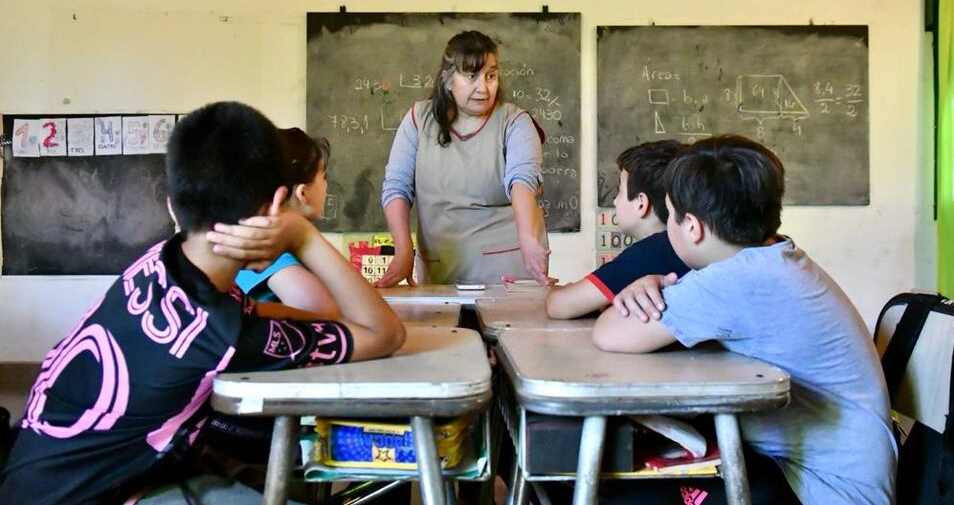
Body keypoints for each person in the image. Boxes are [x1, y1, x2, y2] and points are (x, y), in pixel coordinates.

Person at [0, 102, 405, 504]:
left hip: (30, 479)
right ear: (276, 206)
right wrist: (303, 236)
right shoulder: (223, 334)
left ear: (175, 202)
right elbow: (385, 333)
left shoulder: (160, 262)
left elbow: (275, 313)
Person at [592, 135, 896, 505]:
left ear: (692, 227)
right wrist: (647, 286)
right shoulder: (774, 257)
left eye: (670, 215)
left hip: (821, 491)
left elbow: (609, 333)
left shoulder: (737, 281)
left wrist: (638, 288)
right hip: (803, 470)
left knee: (612, 493)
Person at [377, 30, 550, 287]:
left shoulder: (514, 121)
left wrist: (528, 239)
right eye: (471, 76)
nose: (483, 87)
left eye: (491, 76)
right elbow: (396, 186)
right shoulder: (418, 119)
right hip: (441, 267)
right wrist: (403, 251)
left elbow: (522, 180)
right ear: (447, 80)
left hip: (508, 270)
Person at [545, 140, 689, 319]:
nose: (614, 201)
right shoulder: (685, 245)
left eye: (619, 191)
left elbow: (559, 306)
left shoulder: (649, 254)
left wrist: (556, 291)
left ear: (641, 203)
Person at [235, 127, 339, 316]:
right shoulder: (268, 250)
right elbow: (324, 313)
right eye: (323, 177)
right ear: (302, 193)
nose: (325, 185)